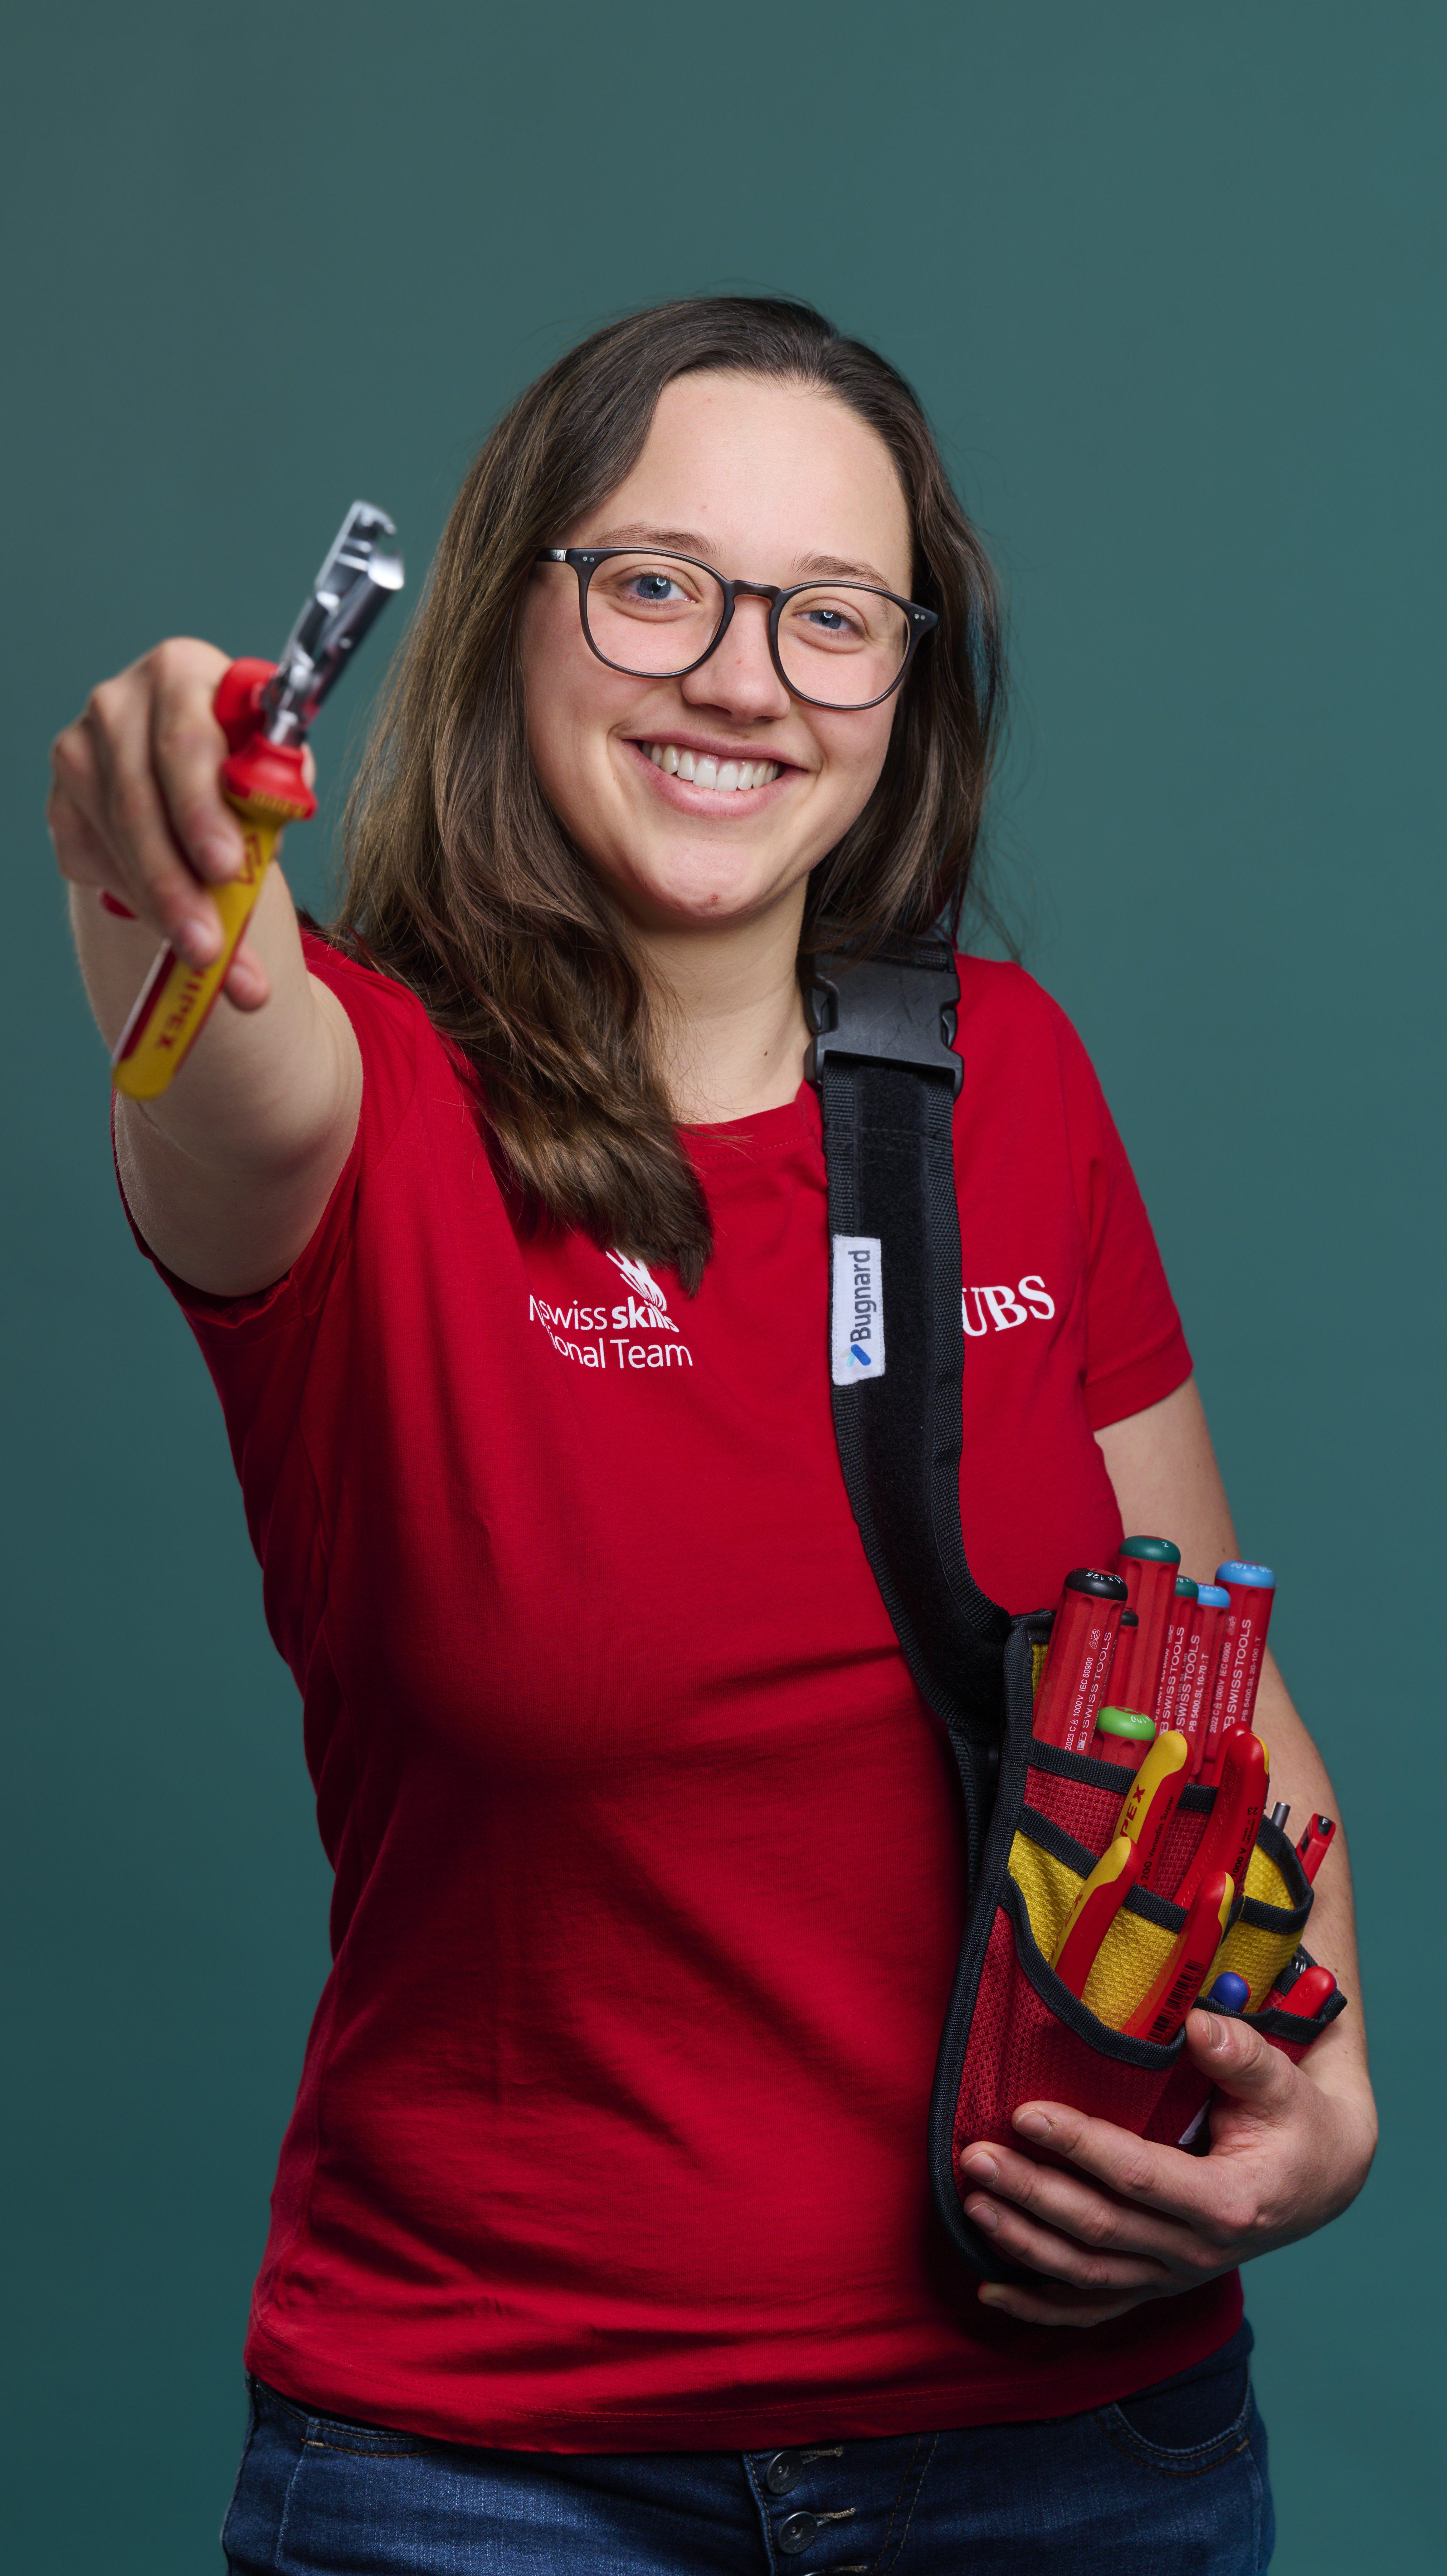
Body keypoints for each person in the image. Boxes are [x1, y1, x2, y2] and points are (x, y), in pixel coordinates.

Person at [50, 296, 1375, 2574]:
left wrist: (1328, 2105)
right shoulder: (356, 1101)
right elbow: (213, 1027)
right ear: (509, 611)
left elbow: (1213, 1686)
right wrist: (151, 840)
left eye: (831, 617)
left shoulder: (1018, 1080)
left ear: (905, 684)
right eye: (659, 582)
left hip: (1095, 2465)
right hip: (484, 2482)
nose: (743, 676)